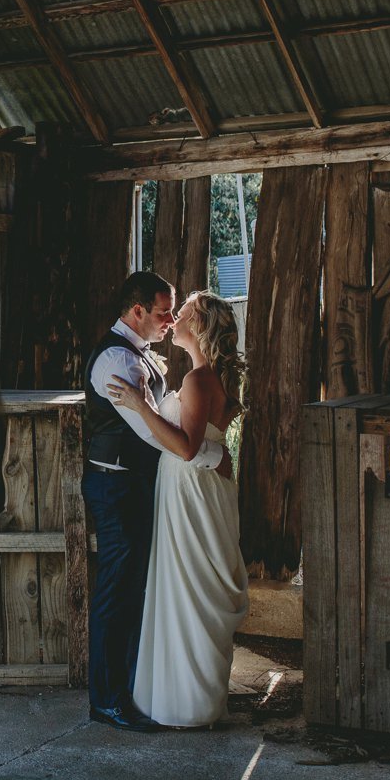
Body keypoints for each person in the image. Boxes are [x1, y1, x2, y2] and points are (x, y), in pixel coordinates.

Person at [107, 290, 250, 729]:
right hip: (199, 488)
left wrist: (138, 405)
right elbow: (206, 444)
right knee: (188, 587)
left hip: (189, 490)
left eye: (182, 314)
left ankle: (187, 704)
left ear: (201, 326)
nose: (172, 320)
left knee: (187, 587)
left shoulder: (198, 380)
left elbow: (187, 448)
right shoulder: (207, 378)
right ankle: (194, 698)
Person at [82, 271, 176, 732]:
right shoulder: (117, 360)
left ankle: (128, 688)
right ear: (137, 310)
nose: (170, 321)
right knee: (115, 595)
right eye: (163, 312)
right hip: (116, 488)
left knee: (132, 590)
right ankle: (107, 700)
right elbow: (149, 433)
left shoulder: (139, 355)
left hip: (133, 487)